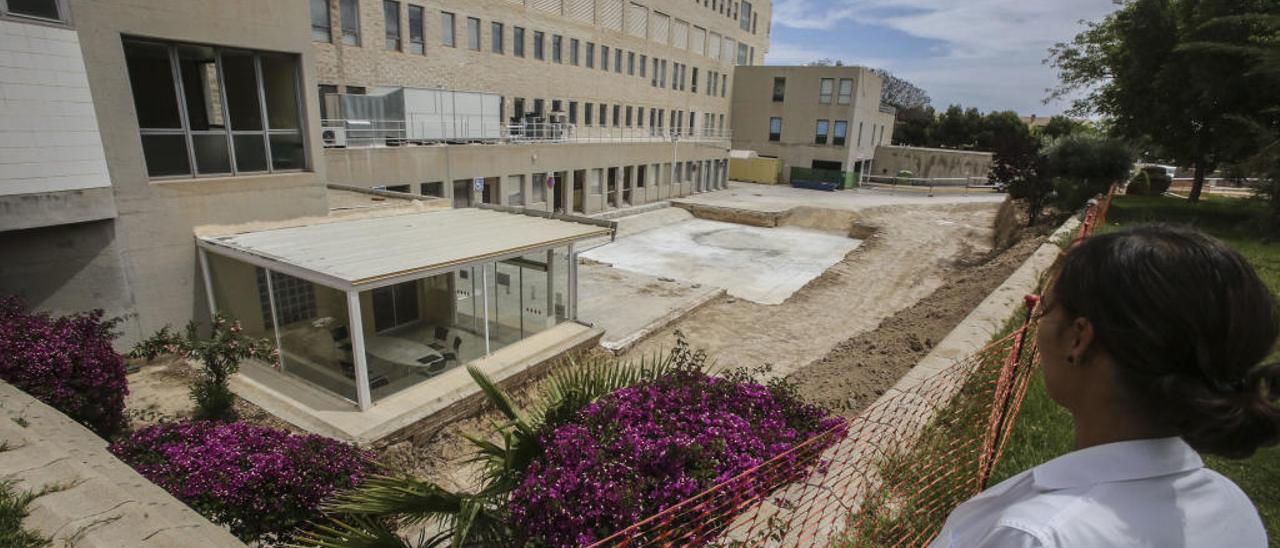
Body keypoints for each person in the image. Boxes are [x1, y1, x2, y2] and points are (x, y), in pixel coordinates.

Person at [932, 225, 1279, 547]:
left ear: (1078, 339)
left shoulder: (1036, 535)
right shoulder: (1231, 503)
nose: (1039, 323)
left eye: (1046, 310)